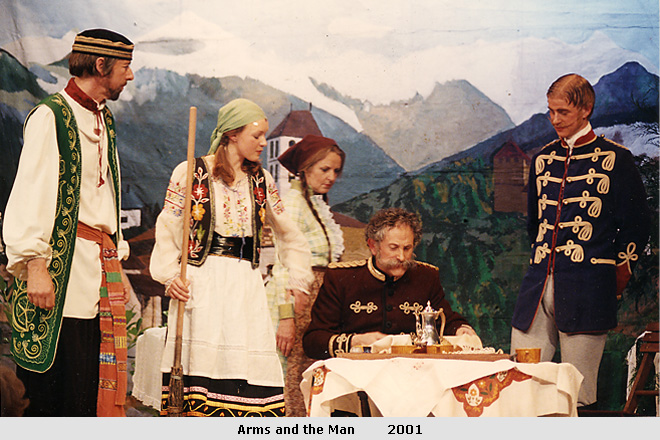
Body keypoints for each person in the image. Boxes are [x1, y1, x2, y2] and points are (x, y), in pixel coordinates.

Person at [150, 98, 314, 417]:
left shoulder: (261, 180)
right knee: (201, 376)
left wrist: (298, 279)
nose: (263, 143)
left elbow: (289, 233)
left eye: (265, 135)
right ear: (232, 134)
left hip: (244, 284)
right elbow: (168, 226)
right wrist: (170, 276)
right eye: (257, 135)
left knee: (245, 372)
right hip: (202, 281)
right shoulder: (191, 172)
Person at [2, 29, 134, 417]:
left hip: (96, 267)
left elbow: (103, 200)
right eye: (125, 67)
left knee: (86, 386)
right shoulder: (51, 116)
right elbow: (30, 191)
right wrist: (35, 265)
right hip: (61, 271)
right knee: (55, 390)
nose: (130, 76)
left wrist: (117, 259)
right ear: (100, 65)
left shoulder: (103, 119)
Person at [510, 74, 652, 408]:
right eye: (551, 111)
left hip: (588, 289)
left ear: (586, 109)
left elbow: (636, 226)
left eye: (563, 112)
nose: (555, 119)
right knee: (520, 386)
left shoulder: (616, 159)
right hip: (537, 288)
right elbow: (535, 224)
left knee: (579, 394)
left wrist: (617, 276)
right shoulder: (543, 159)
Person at [303, 207, 476, 360]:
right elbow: (313, 341)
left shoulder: (426, 277)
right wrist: (355, 341)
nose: (401, 257)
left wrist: (461, 330)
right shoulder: (341, 278)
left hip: (412, 370)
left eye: (407, 248)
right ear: (373, 246)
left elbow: (445, 320)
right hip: (358, 373)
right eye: (393, 248)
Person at [265, 134, 346, 416]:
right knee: (291, 372)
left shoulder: (314, 204)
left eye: (336, 171)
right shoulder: (293, 204)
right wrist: (286, 317)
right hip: (295, 298)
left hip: (316, 301)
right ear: (305, 168)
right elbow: (283, 264)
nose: (331, 177)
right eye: (324, 169)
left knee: (308, 372)